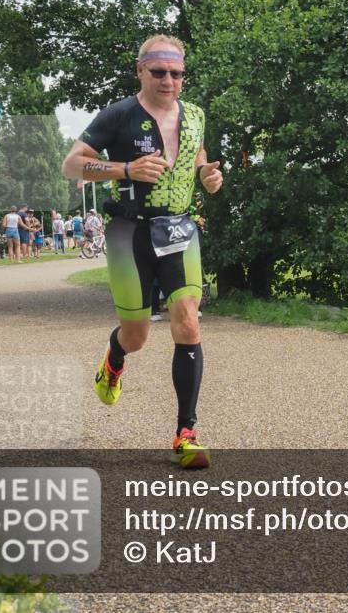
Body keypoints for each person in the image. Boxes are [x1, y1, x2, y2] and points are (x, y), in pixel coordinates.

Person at [62, 34, 223, 469]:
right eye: (159, 72)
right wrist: (125, 168)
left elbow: (197, 155)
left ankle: (185, 434)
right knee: (136, 336)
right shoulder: (118, 115)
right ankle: (114, 359)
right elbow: (72, 163)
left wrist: (207, 174)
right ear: (140, 72)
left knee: (188, 322)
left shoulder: (196, 116)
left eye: (176, 74)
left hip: (180, 230)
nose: (168, 80)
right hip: (129, 234)